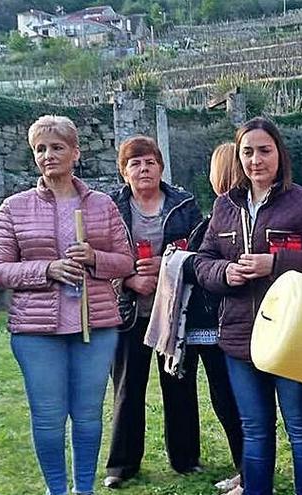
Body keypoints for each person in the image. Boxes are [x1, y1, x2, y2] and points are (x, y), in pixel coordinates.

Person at [195, 117, 302, 495]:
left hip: (293, 335)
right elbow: (202, 261)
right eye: (247, 152)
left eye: (264, 150)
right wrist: (225, 272)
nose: (256, 160)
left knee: (301, 428)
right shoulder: (225, 206)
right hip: (240, 338)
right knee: (255, 430)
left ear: (280, 153)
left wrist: (275, 263)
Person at [0, 115, 133, 495]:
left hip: (95, 328)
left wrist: (95, 258)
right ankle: (57, 490)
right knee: (49, 419)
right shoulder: (14, 208)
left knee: (87, 418)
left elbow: (125, 262)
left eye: (56, 147)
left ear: (75, 153)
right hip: (37, 332)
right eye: (40, 149)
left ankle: (84, 489)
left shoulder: (103, 205)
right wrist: (47, 269)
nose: (48, 155)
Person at [103, 135, 205, 488]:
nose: (143, 168)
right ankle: (122, 465)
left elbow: (201, 252)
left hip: (175, 309)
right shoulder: (110, 207)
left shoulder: (184, 204)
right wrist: (128, 280)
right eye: (135, 163)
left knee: (179, 383)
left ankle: (186, 458)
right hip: (129, 310)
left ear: (161, 167)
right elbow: (97, 257)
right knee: (128, 388)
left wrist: (168, 264)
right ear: (124, 171)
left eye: (149, 162)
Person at [192, 142, 245, 495]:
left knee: (232, 401)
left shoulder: (226, 219)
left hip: (224, 325)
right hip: (223, 325)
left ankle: (248, 471)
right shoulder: (215, 219)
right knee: (231, 401)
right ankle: (245, 469)